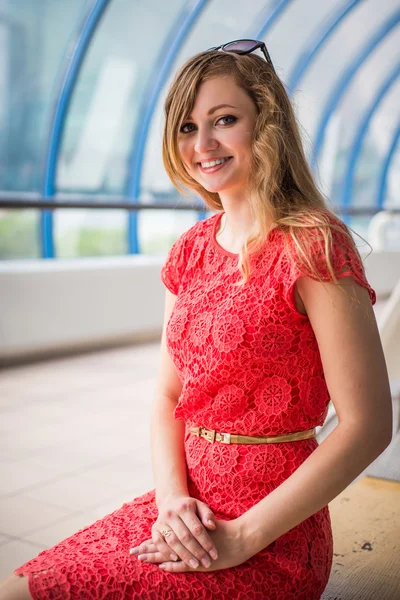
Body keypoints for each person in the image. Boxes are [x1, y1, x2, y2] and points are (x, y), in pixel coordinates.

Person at [0, 39, 393, 600]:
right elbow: (166, 396)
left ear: (266, 125)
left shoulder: (314, 245)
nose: (202, 144)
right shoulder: (189, 250)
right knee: (19, 589)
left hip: (271, 532)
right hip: (184, 508)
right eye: (186, 127)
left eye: (223, 120)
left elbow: (368, 424)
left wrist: (242, 537)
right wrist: (171, 502)